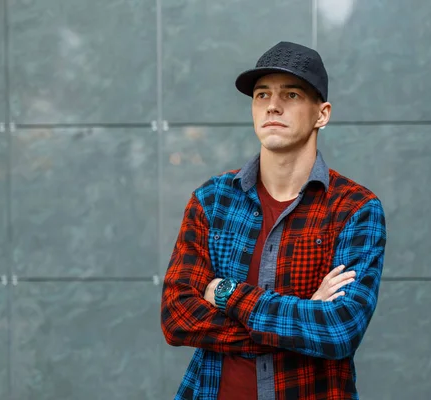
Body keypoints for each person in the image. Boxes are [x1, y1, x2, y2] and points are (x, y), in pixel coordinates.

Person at [160, 41, 387, 400]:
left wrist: (225, 292)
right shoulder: (212, 200)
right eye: (261, 95)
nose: (273, 106)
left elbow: (339, 330)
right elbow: (177, 317)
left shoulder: (354, 208)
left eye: (292, 95)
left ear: (322, 114)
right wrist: (299, 318)